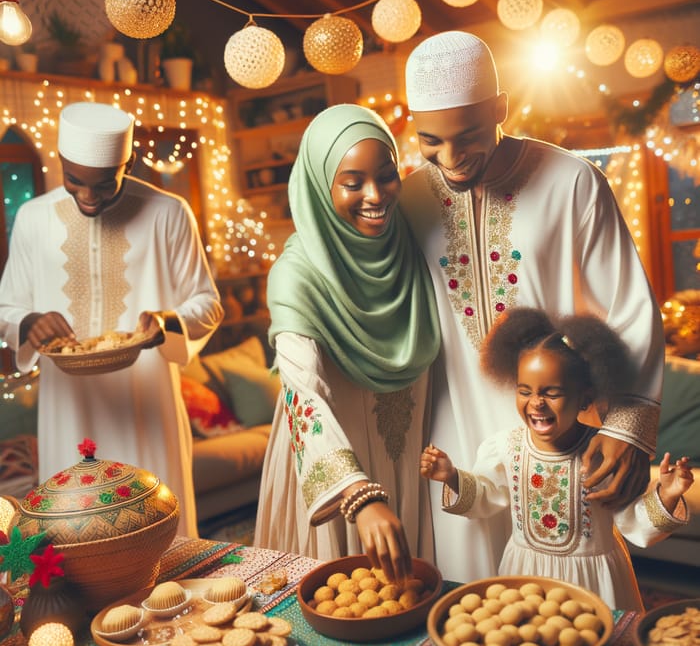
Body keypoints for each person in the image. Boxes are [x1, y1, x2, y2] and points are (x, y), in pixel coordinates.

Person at [401, 30, 665, 582]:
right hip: (455, 433)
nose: (450, 159)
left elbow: (630, 306)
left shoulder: (573, 182)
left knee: (572, 601)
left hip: (562, 430)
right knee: (473, 603)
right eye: (431, 141)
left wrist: (627, 426)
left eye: (468, 135)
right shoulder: (409, 201)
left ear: (501, 107)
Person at [0, 101, 223, 537]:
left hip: (147, 405)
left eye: (103, 184)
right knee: (74, 536)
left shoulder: (168, 212)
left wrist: (166, 322)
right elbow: (6, 306)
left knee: (161, 531)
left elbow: (208, 304)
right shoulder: (33, 218)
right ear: (61, 161)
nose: (87, 195)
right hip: (68, 407)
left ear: (130, 162)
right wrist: (28, 323)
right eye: (74, 180)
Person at [253, 103, 441, 583]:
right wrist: (357, 493)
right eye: (352, 183)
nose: (375, 196)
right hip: (332, 466)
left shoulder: (410, 244)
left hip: (406, 459)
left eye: (386, 176)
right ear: (320, 185)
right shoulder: (296, 274)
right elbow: (302, 391)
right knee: (339, 606)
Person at [420, 307, 693, 611]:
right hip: (524, 574)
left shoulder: (600, 454)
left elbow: (632, 519)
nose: (536, 402)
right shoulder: (506, 448)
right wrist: (452, 476)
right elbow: (487, 495)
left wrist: (668, 493)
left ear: (585, 397)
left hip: (593, 584)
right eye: (525, 391)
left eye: (552, 392)